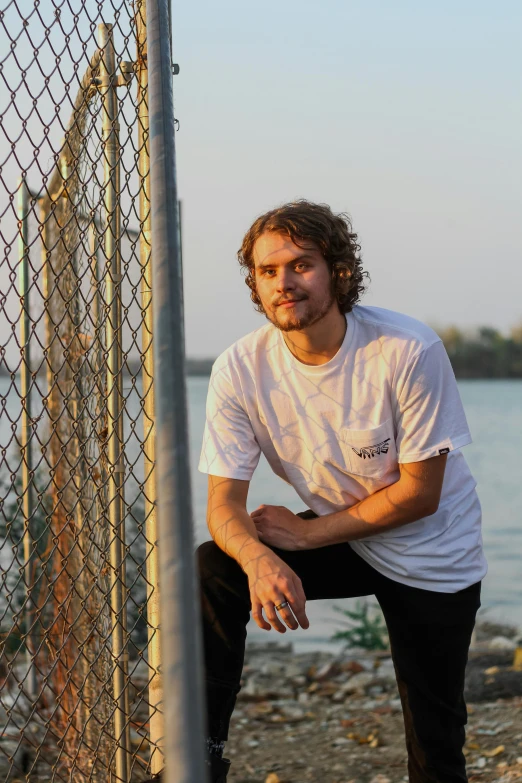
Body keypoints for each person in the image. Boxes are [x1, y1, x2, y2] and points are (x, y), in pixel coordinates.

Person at [147, 200, 487, 783]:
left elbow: (419, 495)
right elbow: (224, 506)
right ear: (255, 284)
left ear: (338, 271)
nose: (284, 283)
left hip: (434, 554)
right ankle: (197, 763)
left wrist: (304, 535)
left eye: (301, 265)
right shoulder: (239, 369)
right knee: (215, 567)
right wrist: (260, 560)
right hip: (348, 535)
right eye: (268, 271)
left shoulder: (406, 349)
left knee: (436, 745)